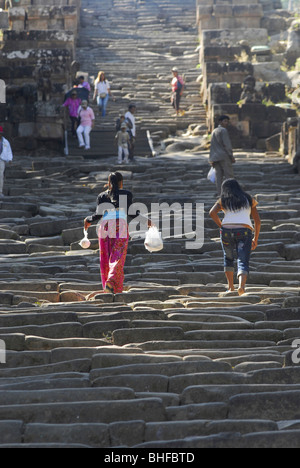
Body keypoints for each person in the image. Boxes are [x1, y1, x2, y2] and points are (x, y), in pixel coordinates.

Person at [84, 172, 152, 295]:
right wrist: (146, 221)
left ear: (109, 183)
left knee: (106, 257)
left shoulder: (102, 196)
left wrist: (88, 220)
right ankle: (112, 281)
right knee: (118, 255)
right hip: (119, 225)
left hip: (104, 226)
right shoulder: (126, 194)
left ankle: (109, 286)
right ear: (121, 182)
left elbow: (98, 215)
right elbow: (132, 213)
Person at [209, 178, 261, 296]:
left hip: (226, 231)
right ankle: (241, 287)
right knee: (243, 259)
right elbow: (257, 221)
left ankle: (231, 287)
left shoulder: (223, 200)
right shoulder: (248, 199)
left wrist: (221, 225)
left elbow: (212, 213)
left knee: (228, 258)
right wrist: (255, 239)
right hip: (244, 231)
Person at [209, 115, 236, 196]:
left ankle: (220, 194)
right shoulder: (223, 130)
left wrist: (211, 158)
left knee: (219, 177)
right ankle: (230, 193)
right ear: (220, 122)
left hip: (215, 157)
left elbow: (212, 146)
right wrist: (231, 156)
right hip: (224, 156)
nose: (226, 123)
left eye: (227, 121)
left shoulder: (214, 131)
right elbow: (226, 144)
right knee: (229, 176)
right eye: (225, 121)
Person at [0, 126, 13, 197]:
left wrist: (10, 159)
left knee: (0, 176)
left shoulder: (5, 142)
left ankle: (0, 191)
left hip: (2, 160)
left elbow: (9, 151)